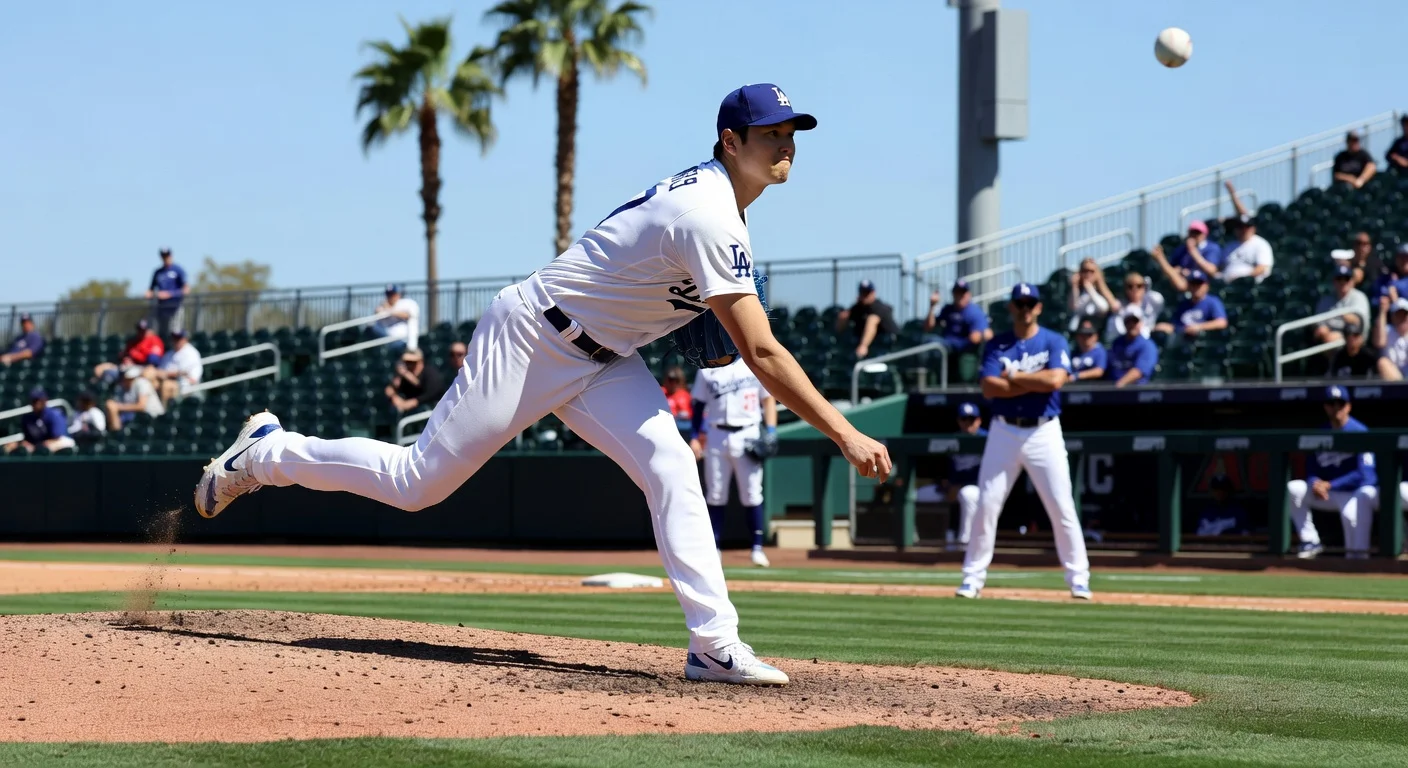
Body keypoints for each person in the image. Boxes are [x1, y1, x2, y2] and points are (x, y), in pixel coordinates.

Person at [194, 82, 892, 687]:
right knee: (416, 485)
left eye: (792, 132)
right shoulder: (708, 214)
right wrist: (846, 431)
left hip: (604, 356)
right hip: (533, 335)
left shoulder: (724, 212)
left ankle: (712, 646)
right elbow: (762, 353)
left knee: (673, 466)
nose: (786, 144)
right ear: (730, 140)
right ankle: (266, 452)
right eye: (770, 133)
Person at [956, 283, 1091, 600]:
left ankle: (1079, 578)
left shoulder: (1053, 340)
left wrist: (1013, 378)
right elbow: (989, 388)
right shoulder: (998, 344)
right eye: (1020, 303)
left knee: (1061, 505)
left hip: (1044, 430)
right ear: (1012, 307)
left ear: (1039, 307)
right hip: (1004, 429)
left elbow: (1056, 380)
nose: (1025, 308)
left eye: (1030, 303)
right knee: (986, 503)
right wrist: (1034, 383)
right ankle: (972, 578)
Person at [687, 357, 777, 568]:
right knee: (716, 494)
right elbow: (698, 405)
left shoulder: (751, 362)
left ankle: (757, 548)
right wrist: (694, 436)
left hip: (748, 432)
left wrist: (771, 431)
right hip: (717, 434)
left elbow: (768, 399)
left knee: (752, 493)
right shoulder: (706, 368)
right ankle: (714, 548)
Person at [1288, 386, 1377, 559]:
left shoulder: (1360, 432)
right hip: (1327, 493)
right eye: (1331, 403)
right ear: (1325, 406)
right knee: (1294, 489)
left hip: (1353, 494)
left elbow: (1365, 475)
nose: (1336, 408)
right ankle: (1310, 540)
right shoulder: (1320, 433)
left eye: (1340, 404)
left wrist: (1330, 484)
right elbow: (1311, 469)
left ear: (1348, 406)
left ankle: (1358, 561)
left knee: (1351, 519)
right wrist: (1315, 482)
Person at [944, 402, 986, 551]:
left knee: (967, 494)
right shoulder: (952, 440)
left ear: (979, 420)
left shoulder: (987, 439)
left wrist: (957, 485)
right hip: (953, 486)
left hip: (977, 487)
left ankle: (964, 543)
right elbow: (946, 469)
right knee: (921, 495)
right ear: (959, 421)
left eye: (971, 419)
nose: (968, 423)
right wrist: (947, 484)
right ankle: (917, 541)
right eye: (964, 419)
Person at [1154, 270, 1228, 343]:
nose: (1196, 287)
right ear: (1188, 286)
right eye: (1193, 284)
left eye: (1199, 284)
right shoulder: (1184, 304)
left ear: (1206, 286)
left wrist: (1199, 327)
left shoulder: (1212, 302)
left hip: (1201, 341)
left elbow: (1221, 322)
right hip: (1182, 340)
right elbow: (1176, 325)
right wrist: (1169, 327)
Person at [924, 279, 990, 354]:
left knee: (932, 343)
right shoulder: (948, 309)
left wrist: (979, 335)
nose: (960, 296)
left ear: (968, 294)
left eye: (963, 293)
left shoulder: (975, 312)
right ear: (953, 294)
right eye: (957, 292)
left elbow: (982, 335)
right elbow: (928, 327)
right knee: (926, 340)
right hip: (946, 343)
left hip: (961, 347)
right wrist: (932, 306)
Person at [836, 280, 898, 359]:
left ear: (873, 293)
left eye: (867, 293)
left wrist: (863, 346)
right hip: (873, 346)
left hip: (888, 346)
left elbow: (872, 323)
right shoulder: (858, 308)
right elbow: (844, 318)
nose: (864, 296)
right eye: (862, 293)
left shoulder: (878, 307)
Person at [1312, 264, 1371, 347]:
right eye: (1339, 279)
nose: (1343, 282)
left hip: (1352, 338)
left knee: (1331, 339)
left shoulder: (1359, 297)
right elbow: (1318, 323)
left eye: (1346, 279)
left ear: (1352, 281)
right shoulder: (1326, 299)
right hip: (1329, 335)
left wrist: (1344, 316)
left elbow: (1356, 321)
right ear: (1334, 281)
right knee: (1322, 332)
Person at [3, 388, 75, 455]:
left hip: (62, 442)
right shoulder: (28, 418)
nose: (35, 403)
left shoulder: (54, 414)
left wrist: (36, 446)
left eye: (38, 400)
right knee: (11, 446)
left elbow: (57, 437)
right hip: (40, 445)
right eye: (33, 401)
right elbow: (28, 440)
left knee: (47, 447)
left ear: (45, 401)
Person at [93, 319, 165, 383]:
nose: (141, 333)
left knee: (129, 374)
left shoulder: (154, 340)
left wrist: (135, 355)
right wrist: (126, 357)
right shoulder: (133, 341)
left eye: (143, 330)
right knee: (99, 369)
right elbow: (123, 355)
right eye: (139, 330)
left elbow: (153, 361)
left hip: (142, 367)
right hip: (126, 366)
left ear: (148, 330)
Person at [1105, 307, 1159, 388]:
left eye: (1135, 322)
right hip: (1112, 388)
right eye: (1128, 322)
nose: (1131, 325)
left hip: (1135, 390)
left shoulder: (1147, 345)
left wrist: (1119, 385)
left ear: (1141, 323)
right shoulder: (1117, 342)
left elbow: (1139, 371)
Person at [384, 348, 445, 416]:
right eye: (406, 362)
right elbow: (390, 390)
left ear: (421, 361)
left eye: (413, 362)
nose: (409, 365)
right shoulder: (405, 376)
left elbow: (431, 393)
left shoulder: (430, 373)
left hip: (430, 412)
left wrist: (414, 402)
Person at [1104, 272, 1163, 342]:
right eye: (1130, 286)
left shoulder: (1153, 301)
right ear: (1125, 289)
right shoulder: (1120, 307)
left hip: (1149, 340)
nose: (1135, 289)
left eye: (1139, 286)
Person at [145, 248, 189, 339]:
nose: (165, 258)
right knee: (161, 333)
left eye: (167, 255)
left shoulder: (178, 270)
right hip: (161, 307)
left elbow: (186, 289)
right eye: (163, 256)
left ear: (171, 256)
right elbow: (150, 289)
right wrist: (151, 294)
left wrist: (169, 294)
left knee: (175, 332)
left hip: (175, 306)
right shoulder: (158, 272)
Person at [152, 330, 203, 406]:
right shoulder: (169, 353)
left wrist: (167, 374)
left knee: (166, 385)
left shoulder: (191, 353)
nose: (176, 341)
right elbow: (161, 369)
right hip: (165, 379)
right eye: (174, 338)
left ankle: (164, 413)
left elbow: (184, 373)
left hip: (183, 383)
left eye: (179, 338)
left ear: (185, 339)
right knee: (149, 383)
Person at [105, 365, 165, 430]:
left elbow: (141, 406)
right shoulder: (121, 388)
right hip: (138, 417)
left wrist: (118, 406)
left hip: (154, 418)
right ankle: (116, 435)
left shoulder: (142, 383)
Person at [1067, 258, 1119, 332]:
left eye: (1092, 271)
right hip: (1080, 328)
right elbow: (1073, 307)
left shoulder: (1102, 290)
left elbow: (1105, 308)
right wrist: (1074, 286)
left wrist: (1090, 289)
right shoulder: (1078, 290)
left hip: (1098, 328)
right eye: (1085, 271)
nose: (1088, 274)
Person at [1220, 215, 1274, 284]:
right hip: (1228, 284)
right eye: (1240, 227)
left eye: (1247, 227)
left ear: (1253, 228)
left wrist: (1240, 279)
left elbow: (1262, 268)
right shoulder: (1229, 246)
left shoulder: (1261, 244)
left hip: (1249, 285)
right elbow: (1221, 267)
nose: (1243, 230)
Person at [371, 284, 421, 353]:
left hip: (404, 342)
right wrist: (385, 309)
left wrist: (389, 310)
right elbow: (377, 313)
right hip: (387, 343)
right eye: (388, 294)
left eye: (392, 294)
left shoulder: (405, 304)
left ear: (398, 294)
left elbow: (408, 316)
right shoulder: (382, 306)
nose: (390, 297)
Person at [1374, 296, 1408, 381]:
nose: (1402, 318)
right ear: (1393, 317)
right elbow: (1379, 343)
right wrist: (1382, 311)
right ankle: (1402, 389)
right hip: (1393, 375)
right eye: (1398, 315)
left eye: (1404, 315)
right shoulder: (1388, 330)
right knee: (1382, 362)